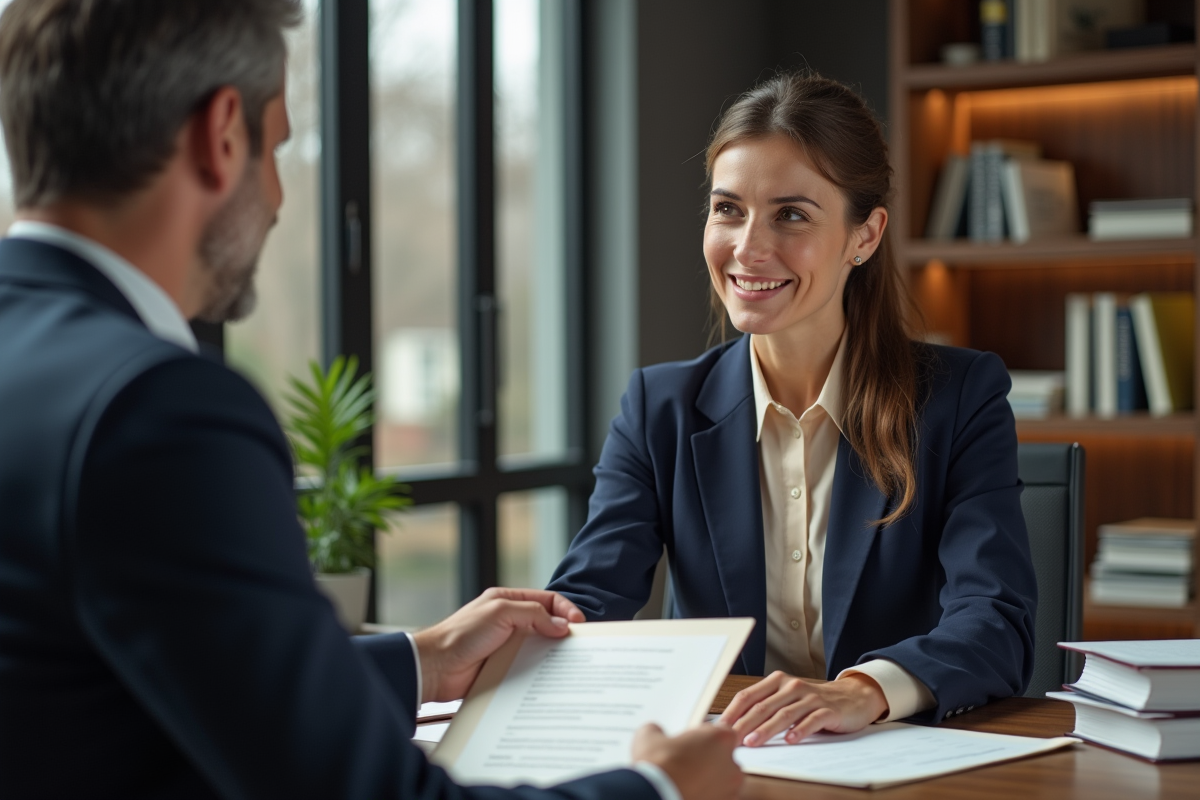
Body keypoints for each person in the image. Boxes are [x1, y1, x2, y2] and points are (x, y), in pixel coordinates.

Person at [0, 2, 743, 799]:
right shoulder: (157, 410)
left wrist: (419, 659)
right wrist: (662, 789)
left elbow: (133, 681)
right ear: (222, 135)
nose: (279, 198)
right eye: (277, 148)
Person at [548, 72, 1038, 748]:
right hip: (727, 764)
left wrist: (861, 691)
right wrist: (537, 626)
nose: (748, 247)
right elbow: (590, 600)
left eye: (792, 215)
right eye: (728, 209)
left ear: (863, 237)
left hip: (895, 765)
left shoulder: (959, 397)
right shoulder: (659, 406)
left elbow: (995, 622)